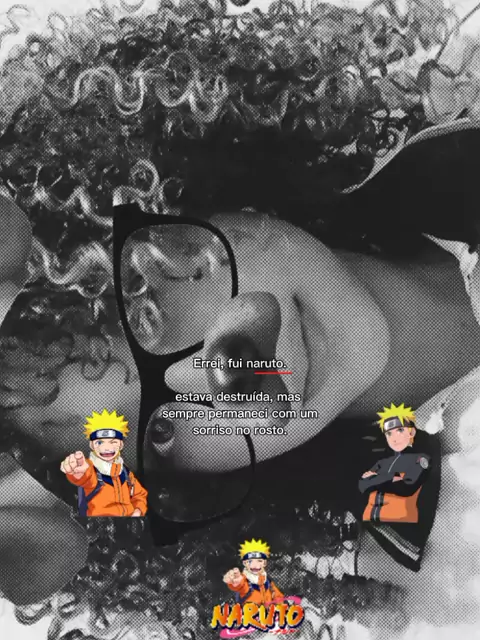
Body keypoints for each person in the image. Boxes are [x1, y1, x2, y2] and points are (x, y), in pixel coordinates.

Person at [0, 0, 480, 637]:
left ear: (188, 190)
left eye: (149, 312)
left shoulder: (465, 88)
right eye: (161, 432)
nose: (228, 382)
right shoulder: (455, 578)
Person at [61, 409, 148, 517]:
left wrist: (138, 510)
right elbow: (84, 477)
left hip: (127, 524)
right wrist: (76, 471)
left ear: (121, 445)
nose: (106, 448)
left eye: (113, 442)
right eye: (100, 442)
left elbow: (139, 494)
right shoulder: (91, 470)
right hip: (101, 524)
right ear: (92, 445)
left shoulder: (126, 473)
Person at [359, 404, 430, 524]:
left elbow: (407, 488)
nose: (394, 438)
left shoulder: (420, 458)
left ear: (412, 432)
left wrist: (377, 479)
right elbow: (362, 485)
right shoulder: (383, 461)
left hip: (402, 524)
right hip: (373, 520)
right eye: (389, 434)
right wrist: (392, 477)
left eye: (400, 430)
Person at [223, 539, 284, 605]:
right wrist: (235, 580)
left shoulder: (268, 581)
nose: (255, 565)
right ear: (245, 563)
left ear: (264, 563)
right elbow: (239, 585)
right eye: (250, 561)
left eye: (259, 561)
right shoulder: (245, 581)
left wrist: (280, 604)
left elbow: (278, 596)